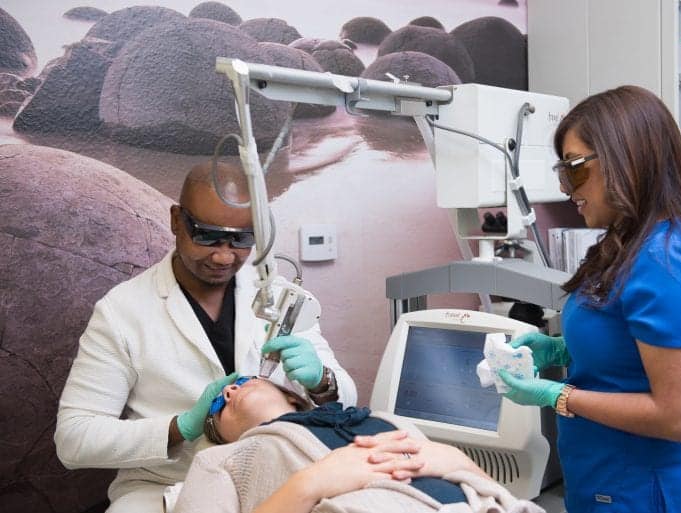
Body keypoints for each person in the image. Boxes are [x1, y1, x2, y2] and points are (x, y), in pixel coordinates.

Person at [54, 161, 356, 513]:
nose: (223, 255)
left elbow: (347, 400)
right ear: (176, 220)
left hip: (280, 476)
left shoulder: (280, 297)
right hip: (165, 485)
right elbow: (74, 439)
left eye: (241, 239)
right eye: (207, 235)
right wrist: (180, 428)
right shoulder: (121, 312)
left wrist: (322, 381)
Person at [497, 85, 681, 513]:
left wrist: (558, 395)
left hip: (656, 495)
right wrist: (561, 348)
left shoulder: (666, 263)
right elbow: (624, 344)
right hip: (609, 485)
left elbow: (677, 417)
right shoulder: (626, 245)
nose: (566, 188)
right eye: (562, 171)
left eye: (574, 169)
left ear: (626, 159)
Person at [171, 376, 545, 513]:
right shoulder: (222, 458)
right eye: (218, 405)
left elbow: (497, 495)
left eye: (242, 381)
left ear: (293, 397)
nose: (230, 391)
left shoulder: (383, 419)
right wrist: (307, 485)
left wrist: (460, 461)